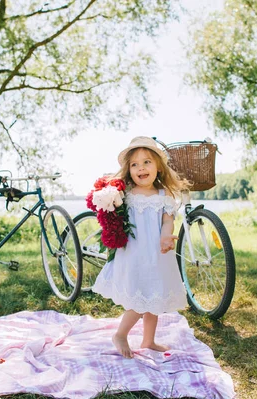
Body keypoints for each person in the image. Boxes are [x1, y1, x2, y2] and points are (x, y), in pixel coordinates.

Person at [92, 136, 190, 359]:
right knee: (140, 297)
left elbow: (168, 221)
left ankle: (149, 340)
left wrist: (166, 237)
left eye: (147, 162)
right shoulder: (125, 194)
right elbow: (112, 216)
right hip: (135, 254)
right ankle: (120, 334)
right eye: (134, 164)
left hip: (157, 253)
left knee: (153, 297)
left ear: (158, 167)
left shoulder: (165, 196)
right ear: (128, 170)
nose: (141, 168)